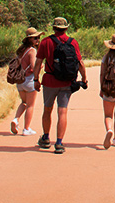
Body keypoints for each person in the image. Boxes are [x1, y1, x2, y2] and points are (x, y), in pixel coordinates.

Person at [33, 17, 87, 154]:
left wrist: (35, 80)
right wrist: (84, 79)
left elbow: (38, 63)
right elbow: (80, 63)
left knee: (47, 109)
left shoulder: (45, 42)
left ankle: (45, 138)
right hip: (67, 82)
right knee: (62, 112)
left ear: (53, 28)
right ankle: (59, 143)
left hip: (50, 81)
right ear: (66, 28)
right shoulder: (73, 42)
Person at [10, 27, 43, 136]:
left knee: (24, 103)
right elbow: (34, 67)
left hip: (20, 81)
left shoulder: (21, 50)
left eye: (38, 38)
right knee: (30, 105)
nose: (38, 40)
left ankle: (16, 119)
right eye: (35, 38)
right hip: (29, 80)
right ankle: (26, 129)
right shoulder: (32, 51)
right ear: (30, 40)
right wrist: (40, 67)